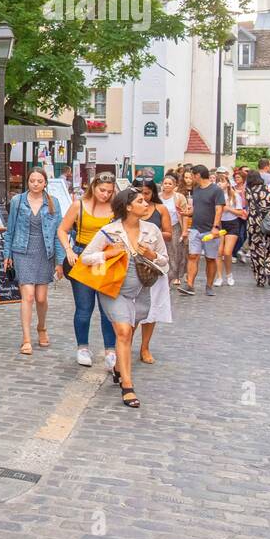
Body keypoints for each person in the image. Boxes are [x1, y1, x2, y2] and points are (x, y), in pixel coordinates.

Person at [79, 187, 169, 409]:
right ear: (128, 207)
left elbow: (165, 261)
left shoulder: (152, 230)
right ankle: (127, 386)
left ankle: (119, 368)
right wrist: (107, 253)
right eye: (140, 201)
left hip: (141, 290)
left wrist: (152, 255)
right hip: (115, 288)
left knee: (130, 330)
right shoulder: (109, 231)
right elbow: (86, 258)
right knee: (123, 332)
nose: (146, 203)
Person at [58, 171, 118, 367]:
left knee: (108, 308)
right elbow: (62, 229)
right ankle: (82, 346)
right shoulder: (80, 205)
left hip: (106, 259)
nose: (105, 194)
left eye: (109, 191)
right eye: (102, 190)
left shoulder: (116, 208)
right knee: (84, 307)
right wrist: (68, 249)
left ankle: (110, 349)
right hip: (83, 256)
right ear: (93, 187)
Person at [4, 168, 65, 355]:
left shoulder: (53, 203)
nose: (36, 184)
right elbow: (10, 230)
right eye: (32, 181)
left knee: (41, 298)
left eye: (39, 181)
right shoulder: (17, 201)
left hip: (44, 253)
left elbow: (58, 234)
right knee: (28, 296)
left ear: (45, 183)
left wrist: (60, 261)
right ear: (28, 182)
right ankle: (26, 338)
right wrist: (7, 254)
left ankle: (42, 327)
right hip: (22, 250)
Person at [135, 179, 173, 364]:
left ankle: (145, 346)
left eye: (147, 193)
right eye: (140, 194)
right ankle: (124, 344)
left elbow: (168, 233)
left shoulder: (160, 209)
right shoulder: (129, 211)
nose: (144, 198)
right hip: (133, 265)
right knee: (131, 309)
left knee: (152, 307)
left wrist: (152, 233)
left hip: (153, 262)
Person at [178, 164, 225, 297]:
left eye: (192, 175)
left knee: (210, 259)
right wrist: (188, 213)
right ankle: (190, 285)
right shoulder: (196, 190)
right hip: (195, 229)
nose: (191, 178)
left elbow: (219, 209)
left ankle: (209, 286)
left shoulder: (216, 190)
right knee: (193, 256)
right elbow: (197, 208)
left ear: (198, 175)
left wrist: (215, 227)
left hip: (210, 231)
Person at [218, 168, 247, 286]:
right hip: (219, 224)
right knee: (218, 252)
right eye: (218, 181)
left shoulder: (234, 195)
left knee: (227, 252)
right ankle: (219, 277)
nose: (220, 184)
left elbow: (241, 213)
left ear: (228, 183)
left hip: (232, 224)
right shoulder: (215, 195)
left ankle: (229, 274)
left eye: (222, 181)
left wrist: (228, 208)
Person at [159, 172, 189, 288]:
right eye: (165, 183)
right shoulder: (158, 197)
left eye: (169, 183)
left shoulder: (179, 197)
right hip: (161, 228)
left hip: (175, 227)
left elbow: (184, 214)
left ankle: (173, 276)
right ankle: (163, 278)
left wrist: (185, 230)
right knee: (162, 252)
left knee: (175, 254)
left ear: (174, 185)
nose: (167, 185)